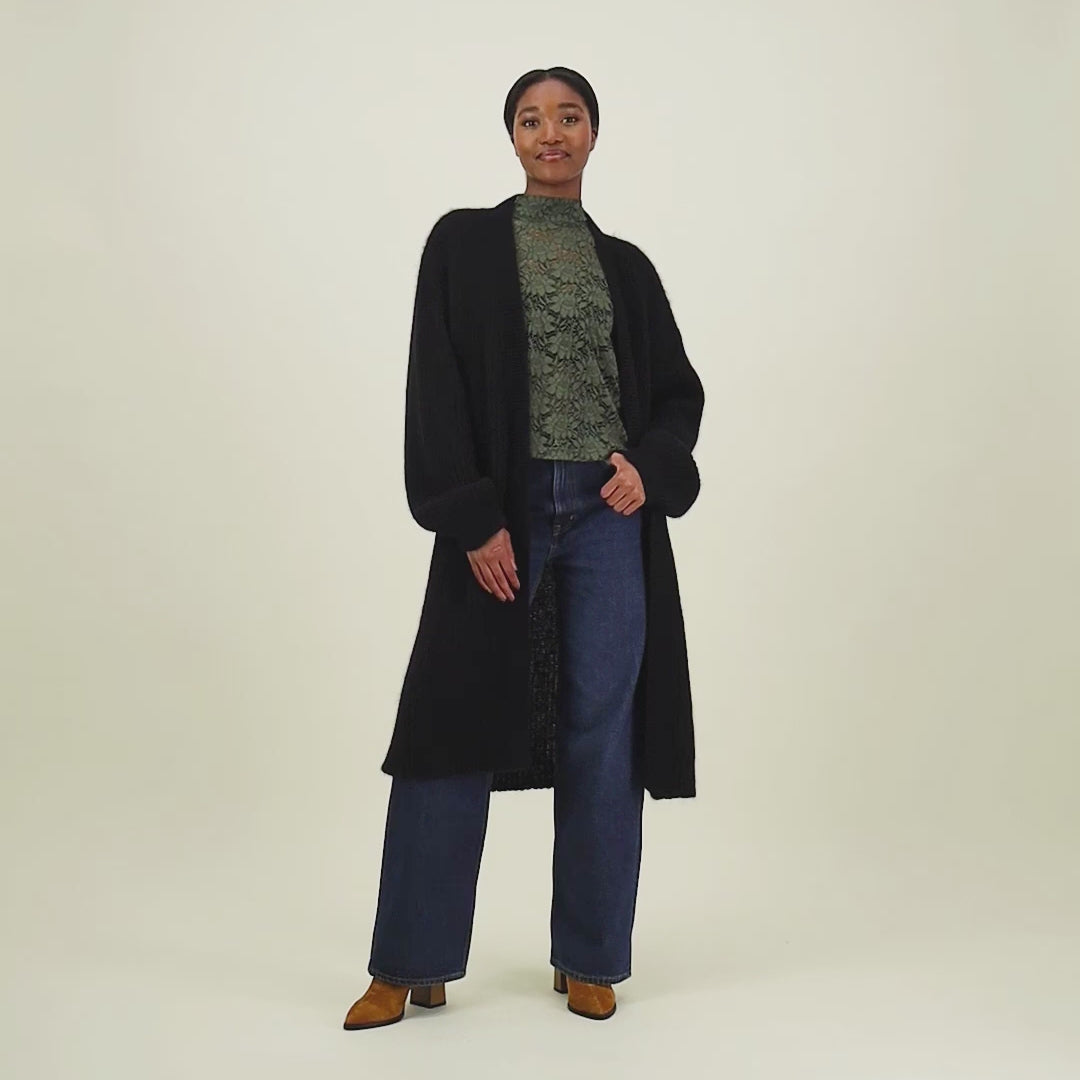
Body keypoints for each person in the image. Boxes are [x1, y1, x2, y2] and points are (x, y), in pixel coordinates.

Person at [345, 66, 705, 1030]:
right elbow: (435, 380)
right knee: (451, 719)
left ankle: (590, 956)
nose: (552, 133)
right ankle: (409, 961)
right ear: (511, 137)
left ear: (593, 134)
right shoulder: (462, 242)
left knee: (604, 731)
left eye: (569, 117)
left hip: (607, 516)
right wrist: (470, 514)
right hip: (504, 508)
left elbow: (677, 393)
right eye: (532, 118)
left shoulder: (627, 267)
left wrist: (647, 466)